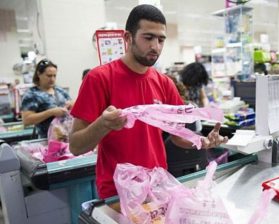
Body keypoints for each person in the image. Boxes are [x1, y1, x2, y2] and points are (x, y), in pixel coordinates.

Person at [69, 4, 228, 199]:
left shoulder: (165, 84)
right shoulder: (99, 78)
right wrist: (103, 124)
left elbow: (177, 135)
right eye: (148, 38)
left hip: (157, 188)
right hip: (117, 193)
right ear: (128, 38)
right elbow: (75, 146)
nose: (156, 46)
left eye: (161, 40)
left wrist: (202, 142)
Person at [21, 59, 73, 138]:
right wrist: (51, 112)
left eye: (54, 76)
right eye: (49, 76)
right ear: (39, 74)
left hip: (66, 137)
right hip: (46, 140)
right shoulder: (32, 94)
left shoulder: (60, 91)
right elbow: (27, 120)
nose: (52, 79)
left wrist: (71, 104)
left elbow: (72, 104)